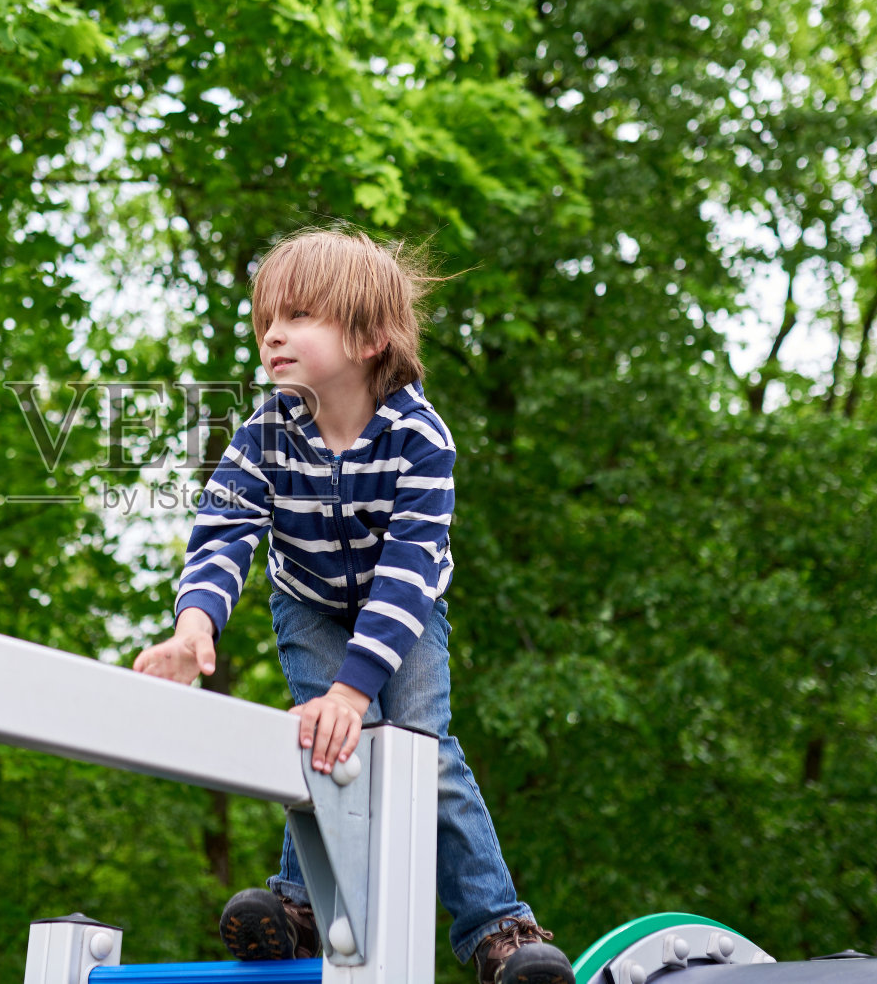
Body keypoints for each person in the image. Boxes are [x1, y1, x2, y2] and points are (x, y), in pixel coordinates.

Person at [131, 229, 574, 984]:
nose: (273, 332)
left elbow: (406, 574)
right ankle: (303, 906)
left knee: (420, 750)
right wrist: (193, 626)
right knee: (327, 745)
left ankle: (498, 928)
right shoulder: (265, 432)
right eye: (266, 317)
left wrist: (354, 685)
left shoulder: (419, 437)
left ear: (370, 338)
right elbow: (224, 529)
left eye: (299, 315)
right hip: (308, 603)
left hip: (405, 611)